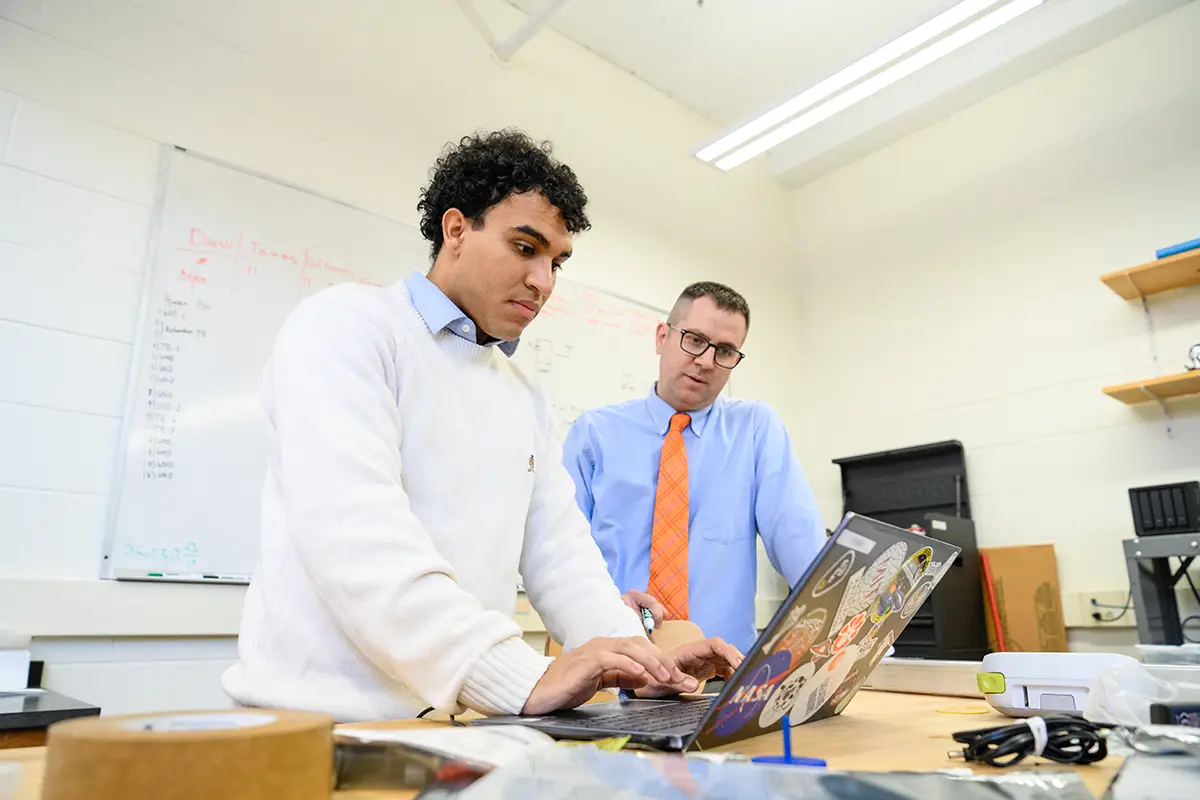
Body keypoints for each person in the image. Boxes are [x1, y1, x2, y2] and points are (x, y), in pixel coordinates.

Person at [222, 131, 741, 722]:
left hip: (449, 730)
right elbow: (354, 536)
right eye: (525, 247)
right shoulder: (347, 328)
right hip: (312, 729)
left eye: (556, 262)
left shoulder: (523, 395)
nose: (544, 281)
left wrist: (642, 663)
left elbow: (561, 554)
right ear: (456, 230)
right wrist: (516, 677)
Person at [562, 282, 826, 654]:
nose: (706, 361)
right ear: (662, 337)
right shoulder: (594, 434)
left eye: (725, 351)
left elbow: (801, 547)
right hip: (614, 663)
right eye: (695, 340)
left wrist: (853, 627)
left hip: (720, 669)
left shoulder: (755, 429)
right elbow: (563, 555)